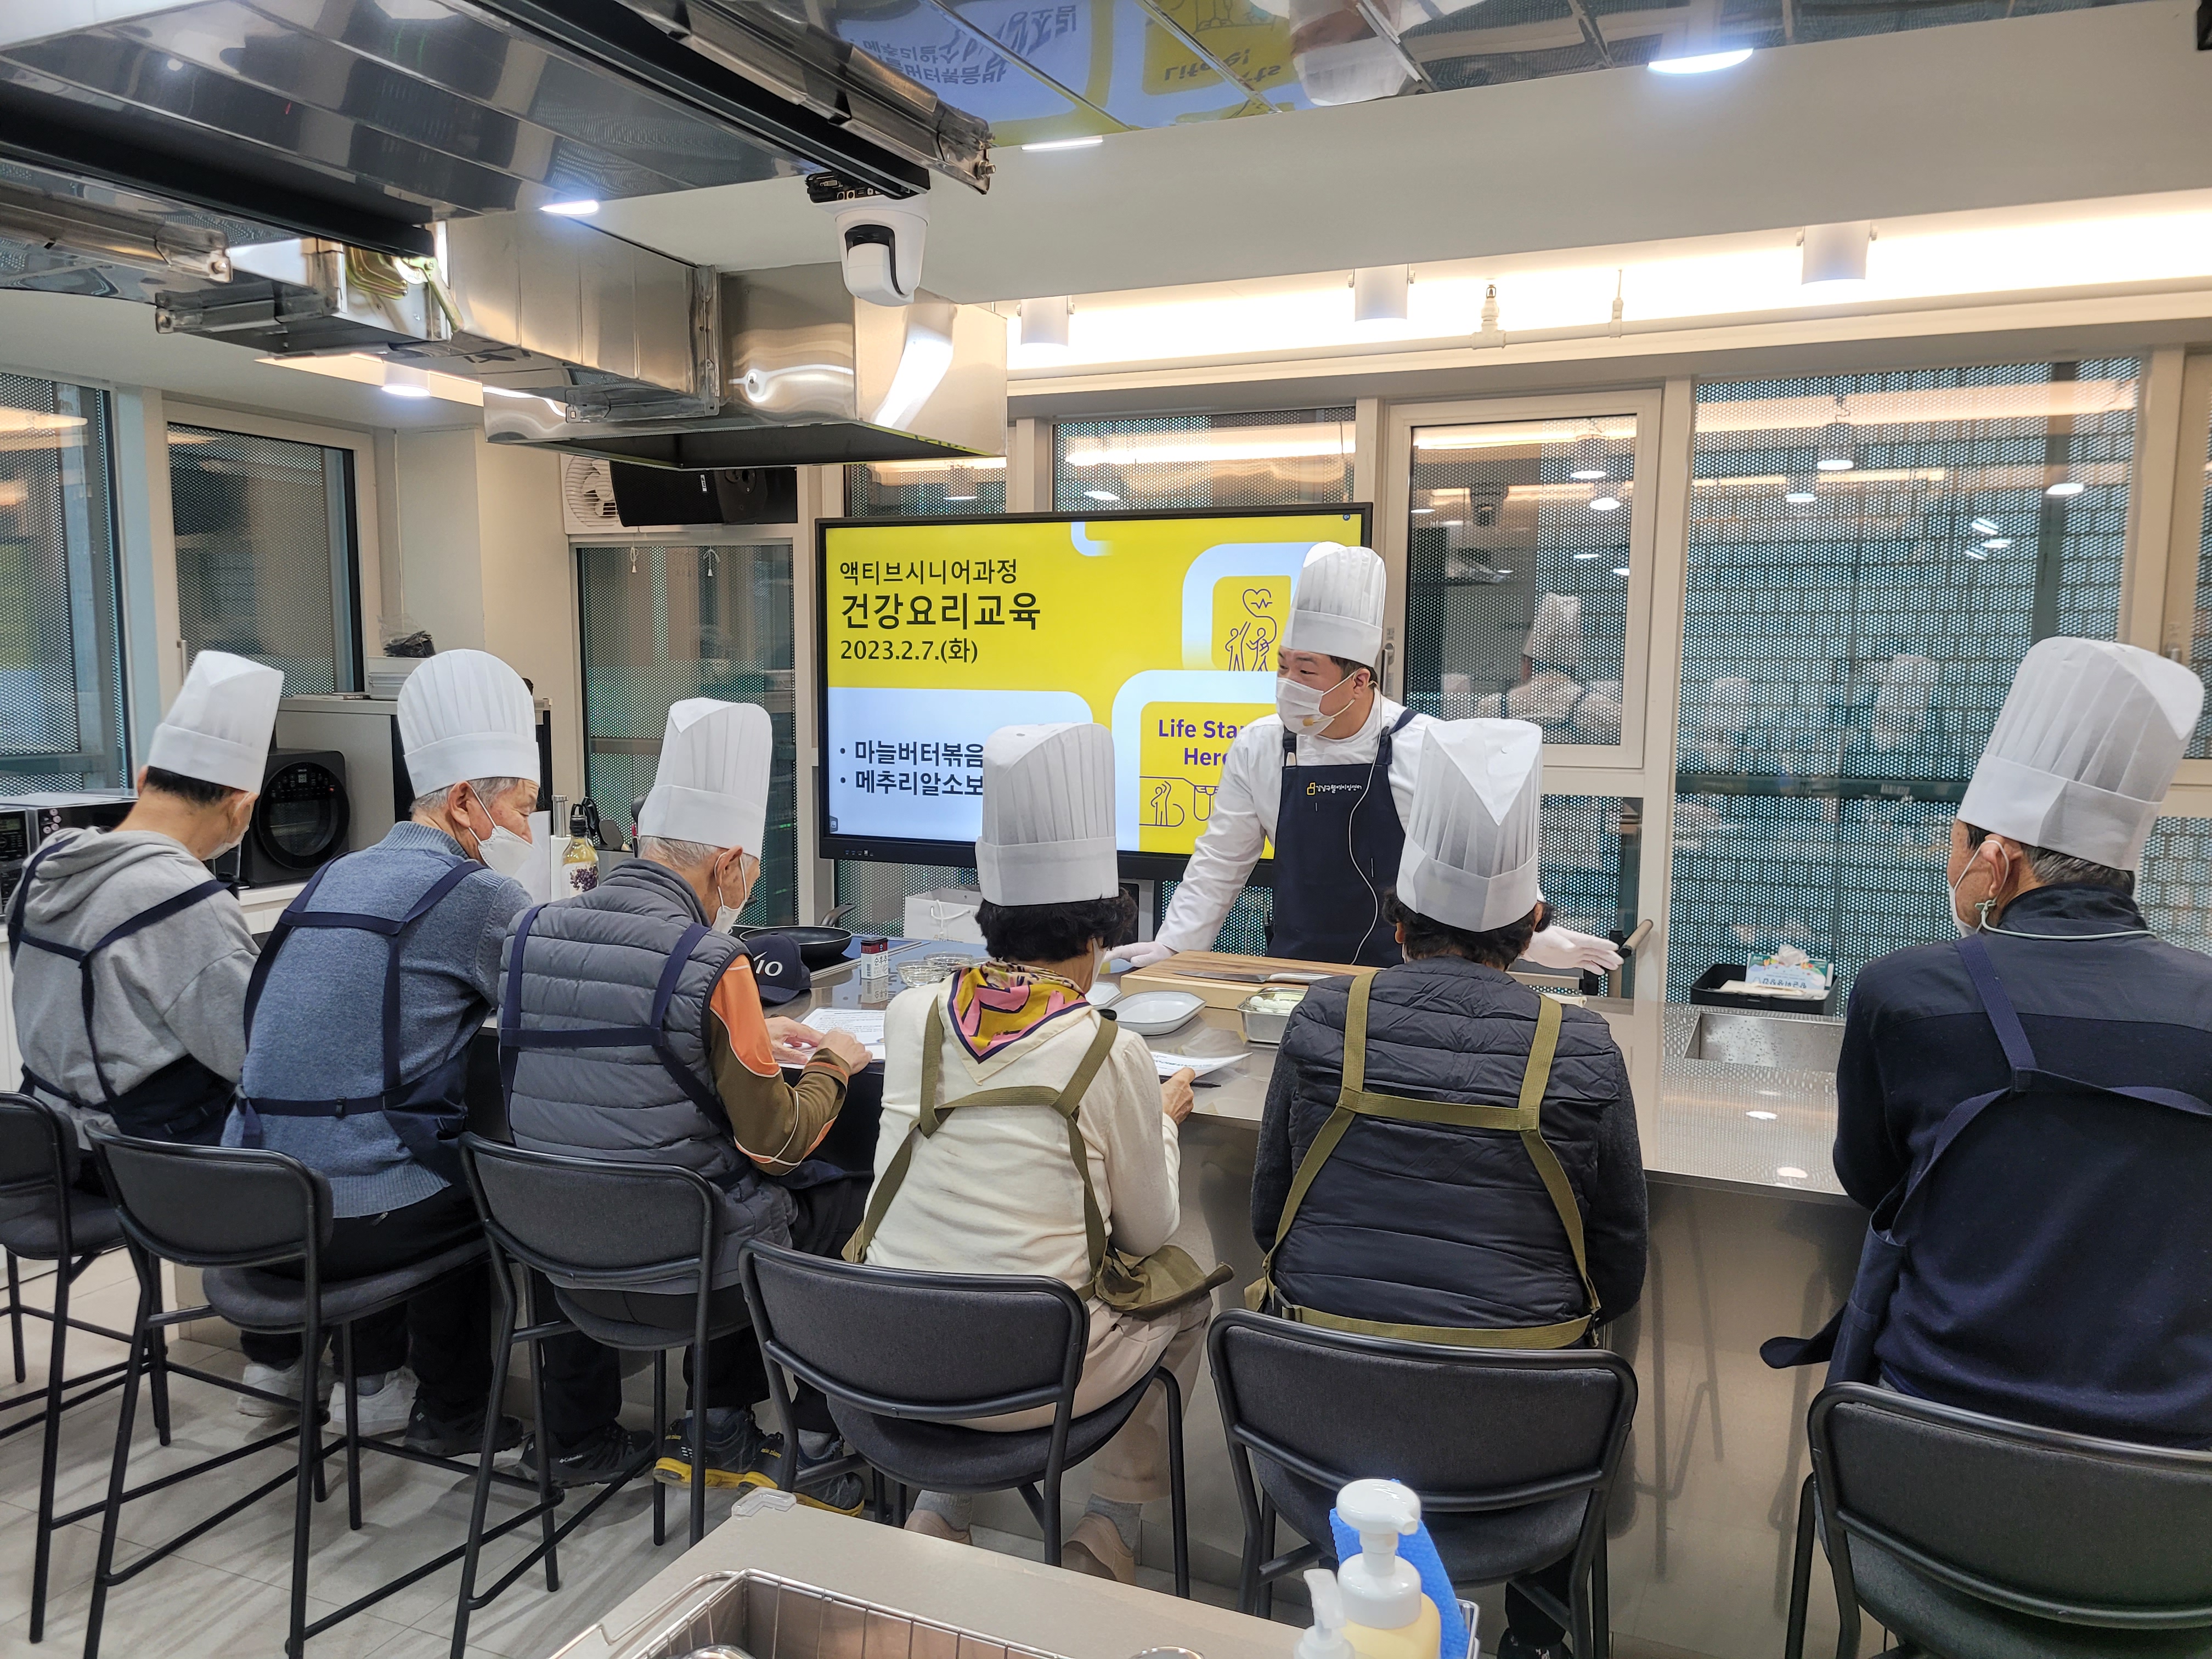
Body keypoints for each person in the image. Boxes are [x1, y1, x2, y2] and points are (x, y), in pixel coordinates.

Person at [1251, 718, 1647, 1659]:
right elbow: (1618, 1273)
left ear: (1397, 920)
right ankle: (1535, 1640)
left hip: (1317, 1434)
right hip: (1521, 1453)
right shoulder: (1582, 1049)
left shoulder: (1322, 1020)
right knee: (1575, 1374)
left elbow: (1268, 1220)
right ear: (1529, 929)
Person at [1821, 636, 2212, 1447]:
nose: (1951, 863)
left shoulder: (1908, 992)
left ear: (1997, 860)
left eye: (1957, 843)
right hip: (2166, 1467)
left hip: (1928, 1435)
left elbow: (1871, 1179)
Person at [856, 721, 1211, 1584]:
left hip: (889, 1355)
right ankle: (1110, 1529)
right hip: (1034, 1379)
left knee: (952, 1272)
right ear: (1097, 938)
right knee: (1185, 1294)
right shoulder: (1110, 1049)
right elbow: (1148, 1231)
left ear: (992, 922)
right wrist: (1163, 1119)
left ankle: (940, 1508)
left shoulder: (909, 1016)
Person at [500, 698, 873, 1504]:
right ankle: (811, 1443)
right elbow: (777, 1143)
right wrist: (833, 1064)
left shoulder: (530, 934)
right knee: (845, 1194)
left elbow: (612, 1069)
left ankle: (714, 1425)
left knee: (711, 1176)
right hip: (689, 1274)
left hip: (563, 1260)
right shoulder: (711, 961)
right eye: (750, 874)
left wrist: (741, 1043)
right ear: (728, 862)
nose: (745, 889)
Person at [227, 648, 541, 1453]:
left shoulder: (336, 874)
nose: (527, 830)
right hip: (349, 1217)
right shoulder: (480, 893)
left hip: (252, 1199)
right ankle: (453, 1417)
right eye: (522, 808)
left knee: (381, 1139)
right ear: (465, 802)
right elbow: (542, 1013)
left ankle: (335, 1379)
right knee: (491, 1193)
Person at [1121, 543, 1620, 976]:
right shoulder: (1260, 747)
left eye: (1306, 671)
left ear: (1359, 681)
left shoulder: (1426, 746)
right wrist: (1174, 947)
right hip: (1293, 973)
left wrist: (1529, 936)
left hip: (1406, 980)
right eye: (1282, 666)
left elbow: (1478, 863)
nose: (1287, 684)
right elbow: (1220, 863)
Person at [8, 650, 280, 1151]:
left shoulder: (45, 867)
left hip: (46, 1142)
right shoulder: (186, 901)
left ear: (142, 778)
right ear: (241, 808)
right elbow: (255, 1054)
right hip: (145, 1158)